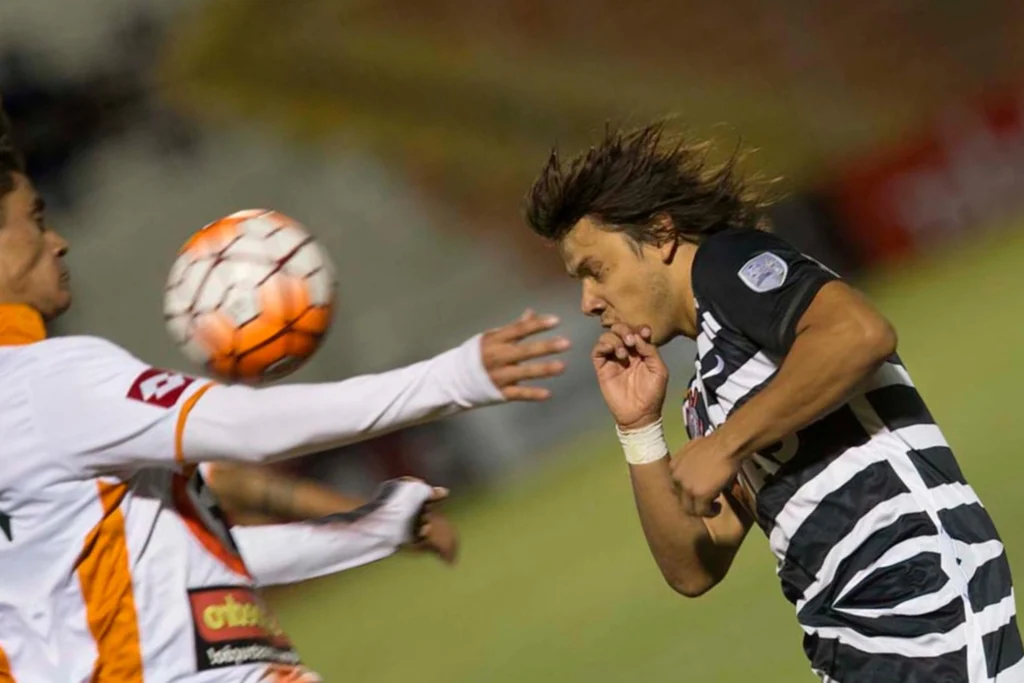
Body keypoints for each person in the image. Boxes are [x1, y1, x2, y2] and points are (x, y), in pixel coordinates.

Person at [0, 102, 569, 682]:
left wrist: (369, 530)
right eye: (36, 218)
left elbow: (189, 559)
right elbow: (246, 428)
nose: (59, 241)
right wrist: (454, 377)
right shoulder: (46, 382)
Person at [523, 122, 1021, 682]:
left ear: (661, 235)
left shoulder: (728, 264)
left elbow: (859, 333)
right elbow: (692, 566)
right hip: (853, 648)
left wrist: (728, 445)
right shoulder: (708, 392)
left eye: (597, 271)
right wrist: (639, 429)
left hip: (926, 618)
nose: (589, 301)